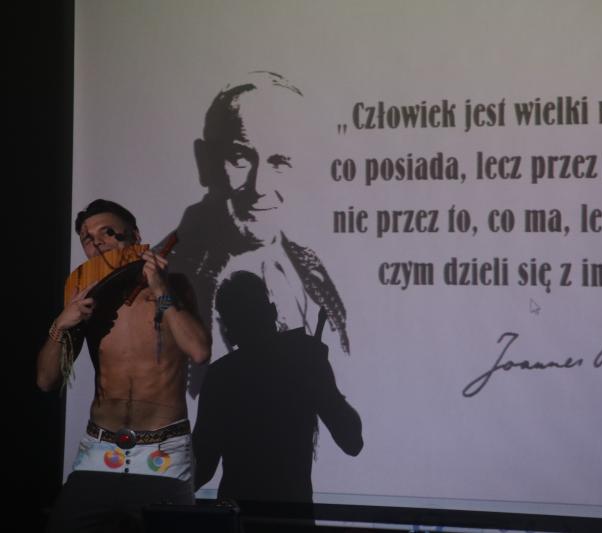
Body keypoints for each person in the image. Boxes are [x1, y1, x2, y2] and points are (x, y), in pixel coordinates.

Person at [168, 72, 349, 398]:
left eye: (280, 161)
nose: (260, 187)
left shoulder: (310, 267)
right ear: (205, 161)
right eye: (240, 157)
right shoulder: (166, 277)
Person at [38, 199, 211, 532]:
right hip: (100, 450)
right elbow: (46, 381)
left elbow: (199, 350)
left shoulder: (175, 287)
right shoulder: (85, 299)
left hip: (164, 453)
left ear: (134, 235)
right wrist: (62, 323)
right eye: (87, 239)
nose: (97, 243)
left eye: (107, 232)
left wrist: (160, 287)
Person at [193, 271, 362, 509]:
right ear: (271, 312)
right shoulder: (304, 360)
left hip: (238, 516)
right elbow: (352, 440)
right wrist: (322, 380)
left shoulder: (220, 376)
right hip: (292, 516)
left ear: (229, 332)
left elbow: (202, 466)